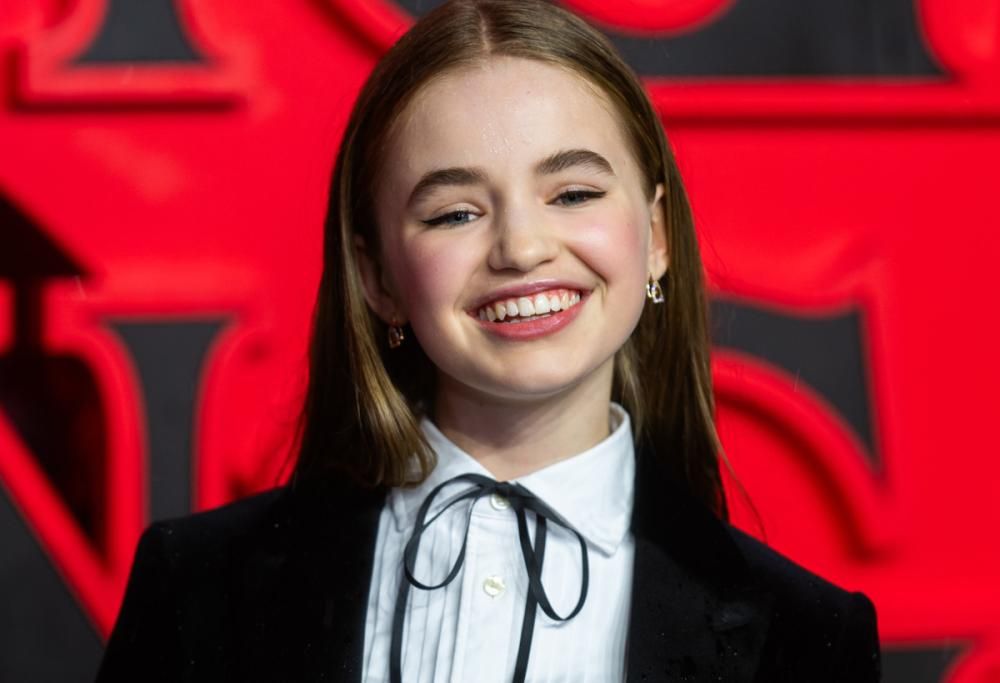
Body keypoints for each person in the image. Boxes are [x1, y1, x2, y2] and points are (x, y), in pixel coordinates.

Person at [95, 0, 881, 681]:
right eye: (455, 212)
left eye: (573, 193)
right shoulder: (197, 587)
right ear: (377, 276)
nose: (521, 248)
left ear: (657, 235)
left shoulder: (806, 636)